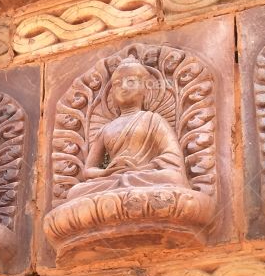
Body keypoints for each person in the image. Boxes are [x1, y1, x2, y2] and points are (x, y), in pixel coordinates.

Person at [65, 55, 191, 198]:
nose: (123, 87)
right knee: (75, 192)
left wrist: (142, 168)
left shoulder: (153, 120)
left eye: (131, 82)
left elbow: (173, 158)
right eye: (118, 83)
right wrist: (107, 172)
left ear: (146, 89)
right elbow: (88, 170)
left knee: (173, 178)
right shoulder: (106, 129)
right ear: (111, 92)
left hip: (144, 175)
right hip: (113, 179)